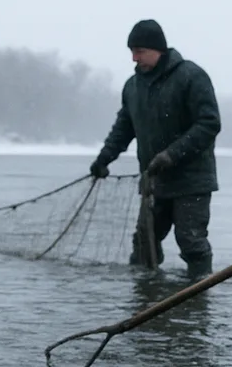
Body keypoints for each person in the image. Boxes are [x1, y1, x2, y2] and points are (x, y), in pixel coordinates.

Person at [89, 20, 221, 279]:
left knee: (191, 242)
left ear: (157, 49)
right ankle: (146, 298)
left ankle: (199, 298)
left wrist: (171, 155)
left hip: (192, 181)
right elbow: (123, 128)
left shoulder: (191, 76)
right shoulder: (132, 86)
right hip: (154, 181)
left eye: (139, 51)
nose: (134, 58)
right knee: (143, 246)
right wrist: (104, 158)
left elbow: (209, 124)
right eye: (131, 52)